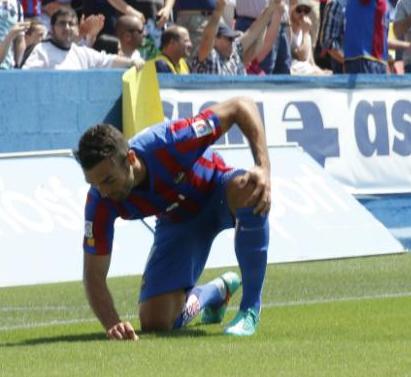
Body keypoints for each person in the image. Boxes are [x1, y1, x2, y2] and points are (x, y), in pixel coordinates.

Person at [76, 96, 271, 338]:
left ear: (130, 159)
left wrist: (262, 166)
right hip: (179, 221)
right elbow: (93, 274)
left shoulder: (172, 141)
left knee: (250, 188)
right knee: (155, 320)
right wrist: (112, 323)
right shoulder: (99, 201)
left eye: (107, 180)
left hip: (216, 190)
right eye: (93, 183)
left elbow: (241, 106)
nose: (103, 191)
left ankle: (249, 310)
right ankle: (215, 292)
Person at [22, 6, 141, 69]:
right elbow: (28, 80)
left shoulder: (82, 53)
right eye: (62, 23)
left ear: (77, 28)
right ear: (52, 28)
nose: (67, 28)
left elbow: (107, 60)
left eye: (71, 24)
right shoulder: (40, 51)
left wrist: (132, 62)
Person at [192, 0, 280, 74]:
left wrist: (270, 9)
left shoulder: (234, 51)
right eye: (229, 38)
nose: (232, 42)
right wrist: (218, 11)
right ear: (216, 39)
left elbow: (253, 32)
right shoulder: (209, 56)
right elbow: (207, 38)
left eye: (233, 39)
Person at [319, 0, 360, 73]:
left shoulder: (365, 4)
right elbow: (328, 42)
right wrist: (346, 62)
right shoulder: (336, 4)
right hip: (343, 66)